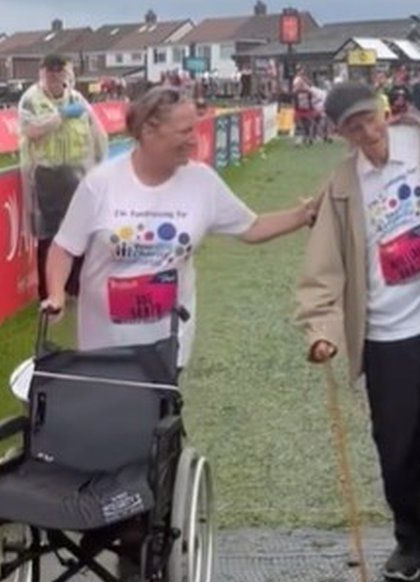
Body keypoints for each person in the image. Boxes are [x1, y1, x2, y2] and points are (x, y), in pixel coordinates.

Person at [295, 82, 420, 582]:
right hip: (384, 334)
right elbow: (322, 268)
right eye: (354, 127)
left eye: (370, 118)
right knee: (395, 445)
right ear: (340, 133)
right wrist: (322, 329)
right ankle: (410, 542)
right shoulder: (342, 186)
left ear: (382, 111)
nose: (368, 131)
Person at [42, 87, 317, 370]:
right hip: (104, 343)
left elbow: (253, 227)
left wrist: (304, 215)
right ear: (149, 130)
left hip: (168, 345)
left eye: (194, 130)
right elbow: (64, 247)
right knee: (108, 414)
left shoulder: (202, 183)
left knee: (160, 413)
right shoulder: (100, 184)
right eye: (184, 132)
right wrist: (56, 294)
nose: (194, 141)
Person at [19, 53, 108, 302]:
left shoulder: (77, 98)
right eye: (50, 70)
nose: (55, 75)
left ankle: (74, 288)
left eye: (60, 70)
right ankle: (48, 293)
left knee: (79, 233)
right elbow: (30, 130)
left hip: (78, 175)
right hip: (47, 176)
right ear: (42, 72)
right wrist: (59, 117)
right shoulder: (31, 99)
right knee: (50, 238)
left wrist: (100, 165)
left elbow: (98, 134)